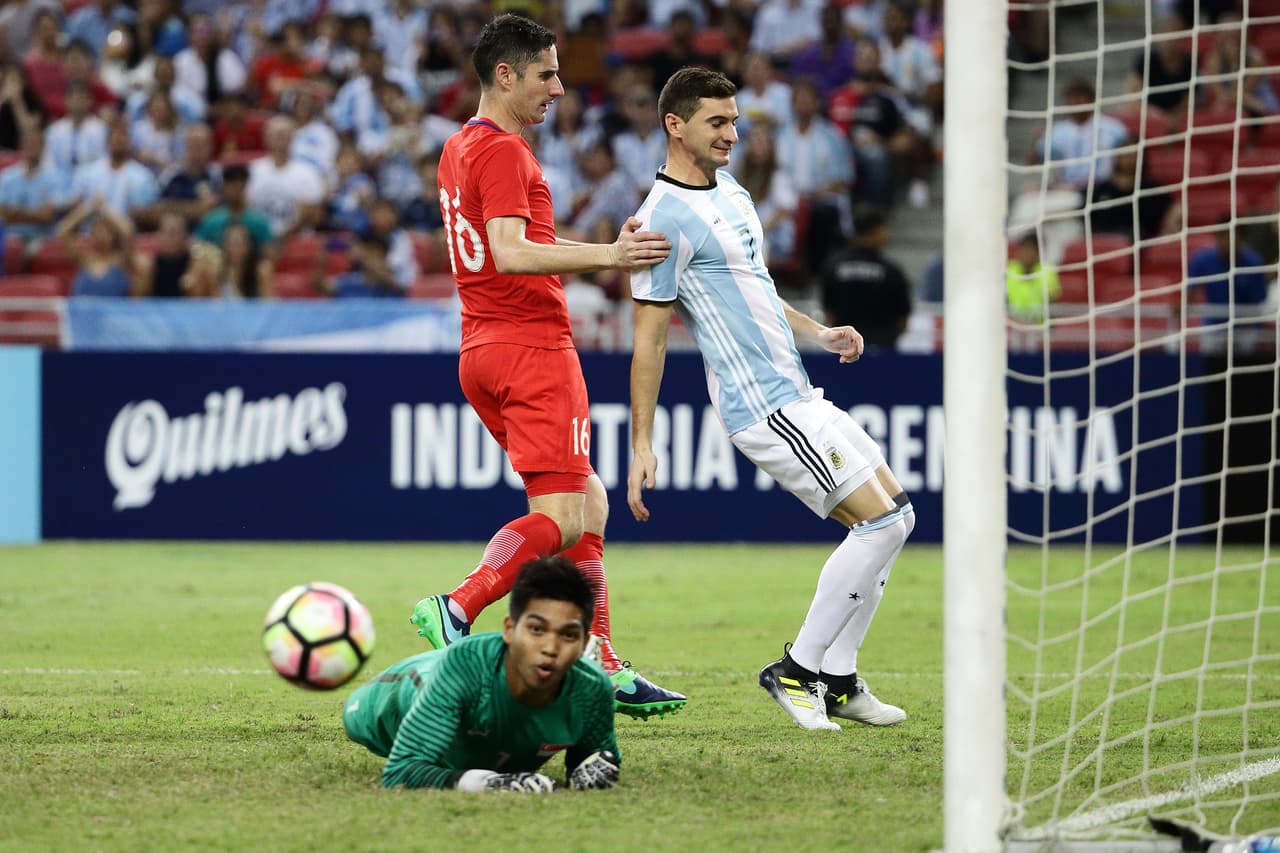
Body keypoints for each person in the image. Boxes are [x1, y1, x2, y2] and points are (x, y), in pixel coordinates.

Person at [410, 13, 686, 721]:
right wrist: (611, 257)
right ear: (505, 75)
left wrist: (595, 246)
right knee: (562, 517)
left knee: (586, 503)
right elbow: (511, 251)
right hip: (530, 347)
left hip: (482, 347)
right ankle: (458, 604)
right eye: (546, 74)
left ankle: (598, 659)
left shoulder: (459, 146)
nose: (559, 88)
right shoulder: (505, 152)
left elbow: (516, 240)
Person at [627, 67, 914, 732]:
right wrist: (643, 441)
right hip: (762, 406)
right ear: (676, 125)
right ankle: (798, 668)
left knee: (896, 517)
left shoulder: (731, 190)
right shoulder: (659, 221)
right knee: (880, 524)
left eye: (734, 120)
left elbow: (755, 288)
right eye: (717, 122)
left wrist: (817, 329)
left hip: (797, 389)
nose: (734, 134)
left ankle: (838, 677)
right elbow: (650, 341)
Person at [344, 556, 621, 792]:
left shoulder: (591, 688)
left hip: (470, 680)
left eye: (568, 635)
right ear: (510, 630)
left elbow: (588, 767)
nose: (550, 648)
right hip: (395, 694)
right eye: (536, 629)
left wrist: (593, 773)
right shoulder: (466, 667)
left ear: (585, 643)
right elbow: (400, 772)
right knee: (447, 682)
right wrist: (486, 782)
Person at [820, 205, 913, 350]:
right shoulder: (891, 271)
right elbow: (903, 322)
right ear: (876, 231)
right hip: (883, 352)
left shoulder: (833, 267)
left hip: (844, 352)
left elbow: (829, 314)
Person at [1006, 232, 1060, 323]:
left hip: (1040, 326)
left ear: (1038, 253)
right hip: (1013, 324)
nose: (1027, 254)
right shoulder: (1009, 270)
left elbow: (1052, 301)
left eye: (1031, 250)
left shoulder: (1047, 271)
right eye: (1024, 249)